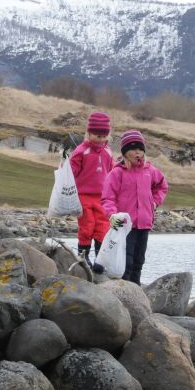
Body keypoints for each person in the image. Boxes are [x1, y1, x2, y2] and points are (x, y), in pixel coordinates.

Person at [101, 129, 169, 284]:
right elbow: (107, 198)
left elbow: (162, 186)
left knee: (139, 259)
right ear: (125, 152)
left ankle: (136, 287)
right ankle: (125, 287)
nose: (137, 153)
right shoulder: (117, 173)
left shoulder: (150, 171)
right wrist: (112, 215)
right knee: (127, 259)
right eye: (133, 149)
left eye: (140, 149)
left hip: (144, 223)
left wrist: (154, 202)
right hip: (125, 225)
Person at [68, 112, 114, 269]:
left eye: (103, 136)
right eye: (96, 135)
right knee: (87, 226)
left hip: (103, 197)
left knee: (102, 226)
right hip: (84, 195)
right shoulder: (81, 151)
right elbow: (72, 171)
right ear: (88, 133)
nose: (100, 139)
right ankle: (83, 256)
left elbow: (112, 171)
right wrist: (66, 168)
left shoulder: (108, 151)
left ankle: (100, 259)